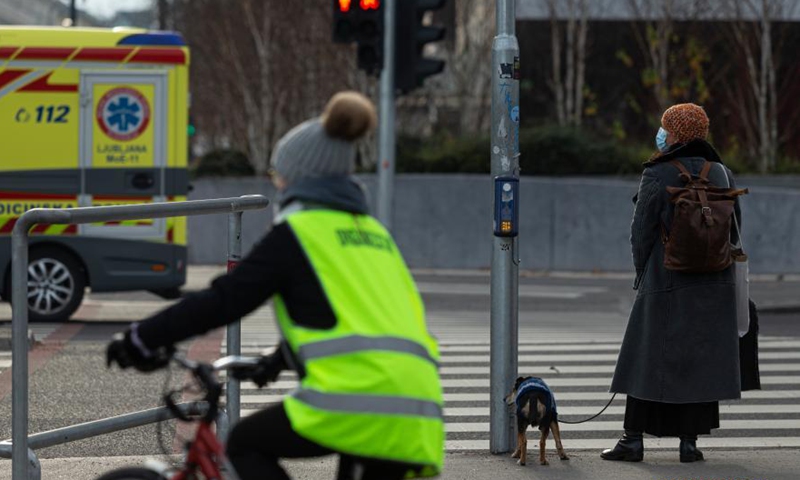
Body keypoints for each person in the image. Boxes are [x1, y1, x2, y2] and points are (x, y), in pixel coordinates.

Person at [106, 91, 445, 480]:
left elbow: (225, 299)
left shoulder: (298, 233)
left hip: (357, 402)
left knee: (245, 444)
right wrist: (276, 360)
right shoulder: (374, 234)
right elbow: (357, 320)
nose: (277, 184)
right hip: (417, 407)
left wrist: (142, 337)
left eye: (276, 174)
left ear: (299, 178)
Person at [602, 103, 742, 463]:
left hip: (666, 276)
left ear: (675, 134)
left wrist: (642, 273)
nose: (660, 133)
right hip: (713, 281)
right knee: (698, 360)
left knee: (645, 356)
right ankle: (689, 444)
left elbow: (641, 231)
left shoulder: (659, 172)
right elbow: (735, 229)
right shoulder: (721, 172)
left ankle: (632, 440)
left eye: (664, 128)